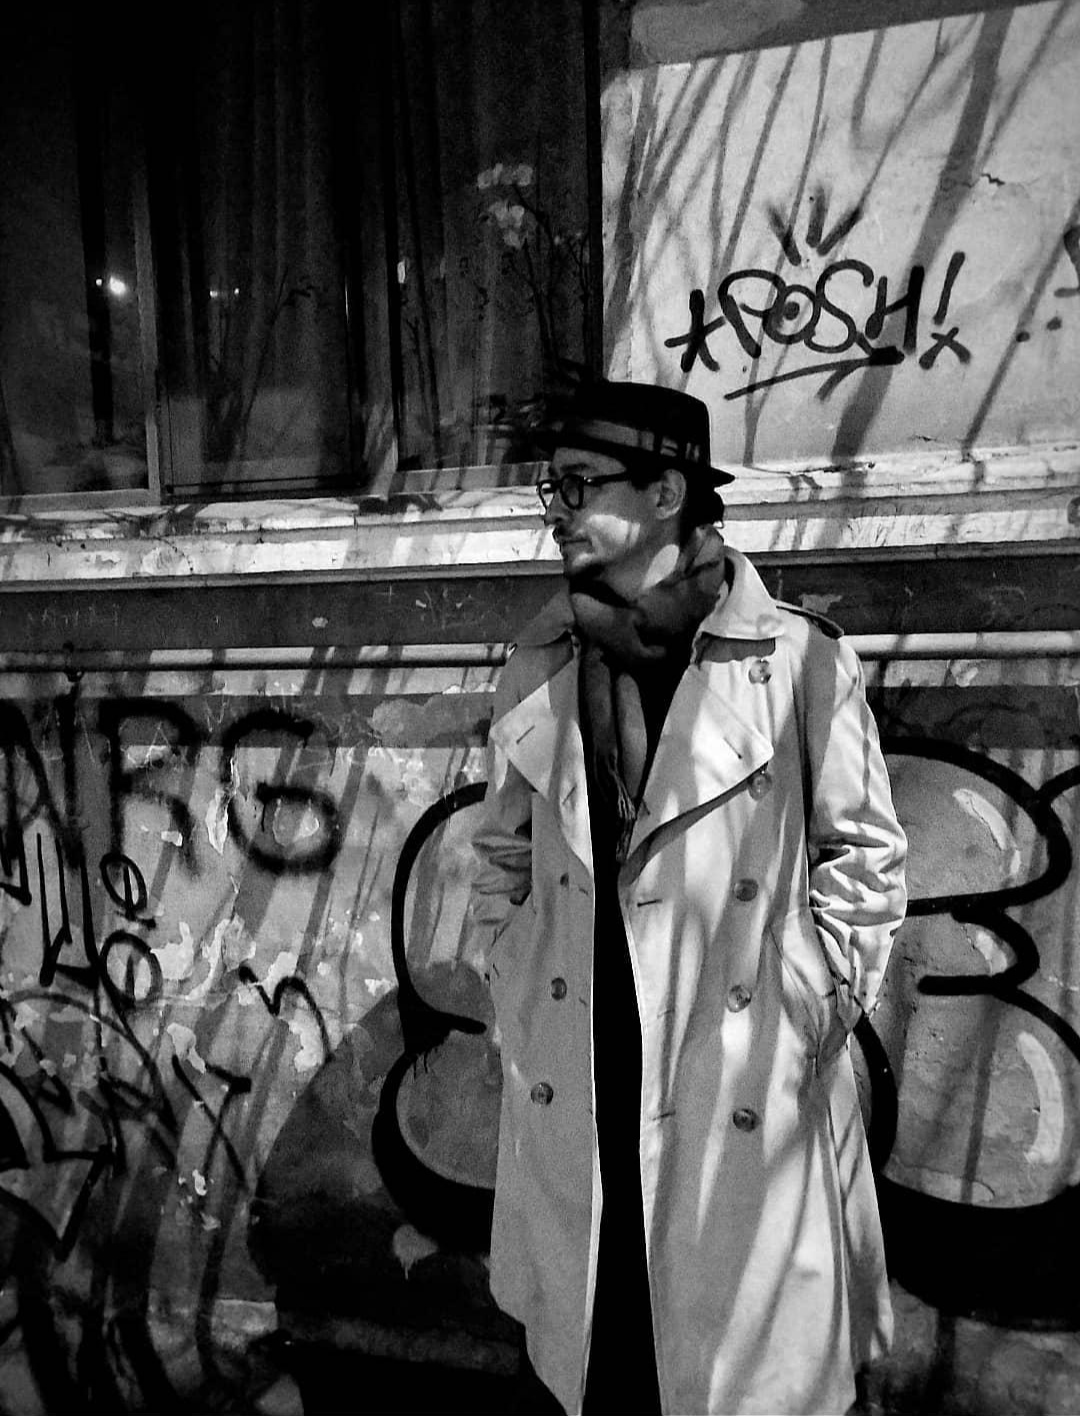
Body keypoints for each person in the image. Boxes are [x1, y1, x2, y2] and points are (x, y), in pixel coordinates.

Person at [465, 379, 908, 1416]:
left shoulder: (796, 662)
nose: (559, 511)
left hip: (734, 1060)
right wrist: (513, 976)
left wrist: (808, 1009)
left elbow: (865, 857)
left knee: (732, 1359)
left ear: (666, 493)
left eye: (581, 484)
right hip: (584, 1047)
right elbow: (501, 855)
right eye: (551, 488)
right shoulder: (539, 664)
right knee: (611, 1346)